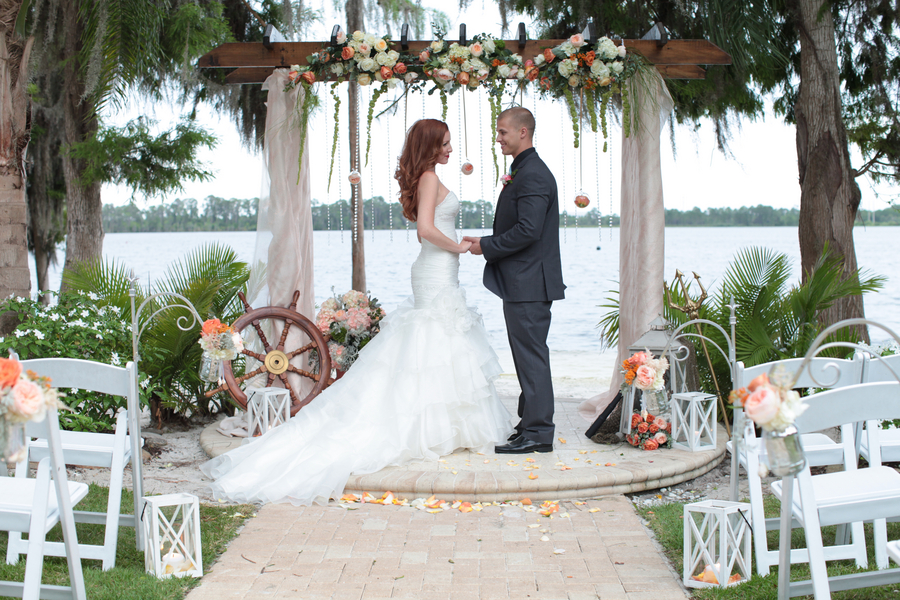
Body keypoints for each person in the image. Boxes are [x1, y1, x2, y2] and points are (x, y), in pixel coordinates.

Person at [200, 119, 513, 505]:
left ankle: (441, 425)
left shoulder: (429, 177)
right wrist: (460, 246)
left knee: (436, 344)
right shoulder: (430, 177)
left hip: (437, 270)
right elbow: (426, 231)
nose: (450, 149)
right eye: (445, 144)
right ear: (430, 147)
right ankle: (433, 427)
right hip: (435, 269)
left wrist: (454, 246)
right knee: (435, 339)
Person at [464, 107, 565, 454]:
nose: (498, 137)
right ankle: (530, 425)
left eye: (503, 131)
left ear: (523, 132)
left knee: (532, 356)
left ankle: (539, 433)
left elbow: (528, 230)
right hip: (525, 281)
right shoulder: (523, 170)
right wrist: (487, 242)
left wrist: (487, 246)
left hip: (530, 282)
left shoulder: (533, 174)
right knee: (527, 356)